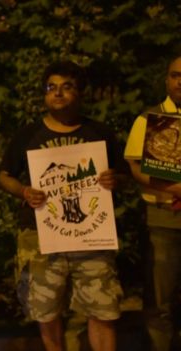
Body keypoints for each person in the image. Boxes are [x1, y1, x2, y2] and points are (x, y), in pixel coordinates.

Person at [0, 61, 125, 351]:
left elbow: (124, 175)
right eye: (51, 87)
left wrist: (114, 178)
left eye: (67, 86)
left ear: (81, 93)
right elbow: (4, 176)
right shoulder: (27, 134)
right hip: (41, 235)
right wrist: (24, 191)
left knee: (103, 309)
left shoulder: (100, 133)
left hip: (92, 236)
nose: (57, 93)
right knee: (46, 311)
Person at [124, 54, 181, 351]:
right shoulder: (149, 119)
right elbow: (136, 168)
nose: (180, 81)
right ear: (167, 80)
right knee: (160, 301)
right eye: (175, 75)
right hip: (163, 220)